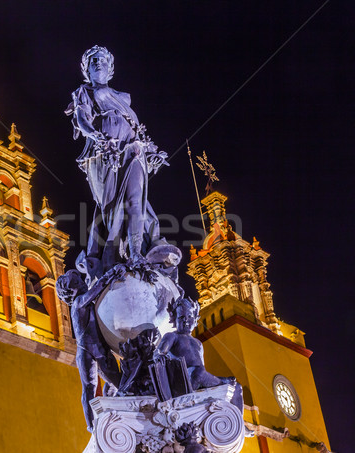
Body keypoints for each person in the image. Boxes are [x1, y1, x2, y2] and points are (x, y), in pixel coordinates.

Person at [66, 45, 168, 274]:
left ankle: (136, 254)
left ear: (111, 68)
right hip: (104, 154)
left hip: (133, 151)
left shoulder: (123, 98)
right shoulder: (85, 92)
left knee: (135, 201)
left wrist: (151, 152)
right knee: (111, 208)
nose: (98, 63)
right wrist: (96, 136)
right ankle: (111, 255)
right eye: (93, 61)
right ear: (86, 70)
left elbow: (136, 128)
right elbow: (82, 120)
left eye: (102, 60)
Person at [56, 270, 122, 431]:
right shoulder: (79, 302)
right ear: (70, 291)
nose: (83, 283)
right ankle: (91, 425)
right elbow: (97, 288)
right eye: (78, 283)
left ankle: (110, 408)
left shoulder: (89, 302)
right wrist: (110, 274)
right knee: (90, 387)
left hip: (101, 350)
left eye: (81, 280)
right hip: (87, 352)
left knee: (117, 383)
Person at [155, 297, 243, 411]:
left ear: (195, 319)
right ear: (174, 320)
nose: (186, 320)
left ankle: (238, 422)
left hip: (200, 378)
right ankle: (221, 384)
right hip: (184, 379)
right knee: (199, 372)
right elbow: (159, 353)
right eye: (181, 317)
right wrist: (160, 356)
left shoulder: (198, 343)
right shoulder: (172, 336)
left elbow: (203, 368)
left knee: (236, 387)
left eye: (189, 317)